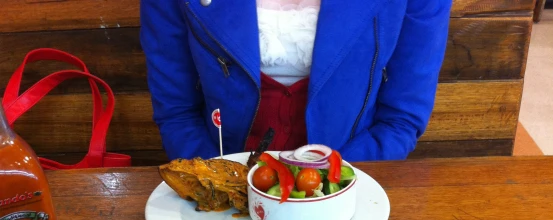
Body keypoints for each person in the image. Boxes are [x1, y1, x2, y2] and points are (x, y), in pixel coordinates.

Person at [140, 0, 452, 161]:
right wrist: (218, 184)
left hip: (355, 182)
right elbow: (176, 111)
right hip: (219, 187)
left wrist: (335, 184)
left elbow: (402, 118)